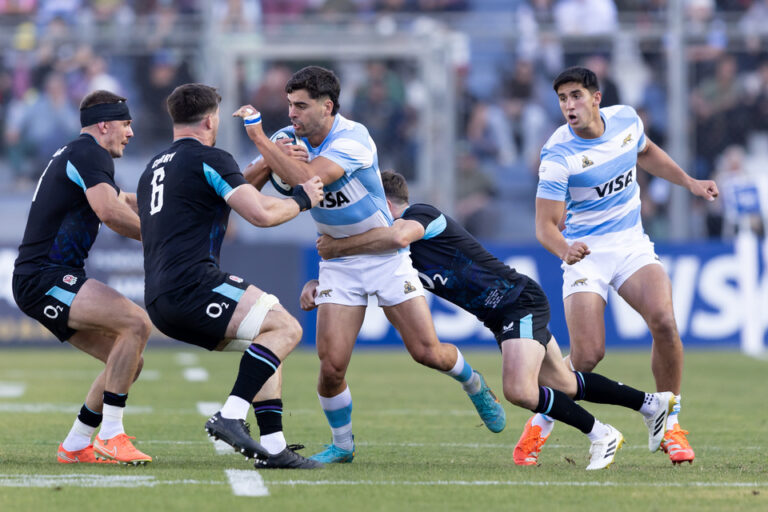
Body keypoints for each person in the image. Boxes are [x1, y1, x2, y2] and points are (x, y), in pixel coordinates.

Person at [311, 170, 675, 470]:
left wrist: (340, 244)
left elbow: (398, 235)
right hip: (501, 314)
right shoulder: (390, 257)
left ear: (385, 204)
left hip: (517, 301)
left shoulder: (419, 215)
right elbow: (359, 272)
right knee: (563, 383)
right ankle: (650, 403)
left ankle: (601, 434)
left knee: (518, 390)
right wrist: (319, 281)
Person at [241, 65, 506, 464]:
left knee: (427, 351)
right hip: (339, 263)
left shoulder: (353, 138)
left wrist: (262, 138)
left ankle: (473, 383)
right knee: (331, 367)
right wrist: (270, 156)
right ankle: (343, 445)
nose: (291, 114)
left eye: (301, 106)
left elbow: (312, 178)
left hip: (384, 257)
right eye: (289, 105)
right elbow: (247, 184)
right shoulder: (286, 139)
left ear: (327, 107)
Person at [535, 66, 719, 464]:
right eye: (563, 98)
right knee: (586, 357)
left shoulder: (626, 120)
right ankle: (543, 412)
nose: (569, 105)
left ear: (596, 98)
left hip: (630, 243)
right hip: (585, 252)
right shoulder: (557, 155)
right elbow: (544, 227)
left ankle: (670, 425)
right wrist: (564, 248)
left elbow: (647, 152)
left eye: (576, 96)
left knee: (665, 322)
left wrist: (689, 182)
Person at [136, 83, 325, 470]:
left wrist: (269, 164)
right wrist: (304, 198)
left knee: (269, 342)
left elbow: (242, 194)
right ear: (210, 119)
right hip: (193, 284)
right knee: (286, 329)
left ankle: (274, 447)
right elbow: (260, 214)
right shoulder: (211, 158)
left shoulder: (152, 168)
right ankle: (231, 414)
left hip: (159, 296)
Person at [12, 90, 152, 465]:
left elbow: (121, 199)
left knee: (128, 360)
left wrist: (174, 206)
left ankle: (75, 444)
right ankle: (112, 435)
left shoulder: (81, 154)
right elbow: (108, 211)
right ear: (104, 125)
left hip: (44, 277)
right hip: (45, 276)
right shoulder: (90, 153)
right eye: (126, 124)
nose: (131, 133)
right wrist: (164, 241)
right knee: (136, 323)